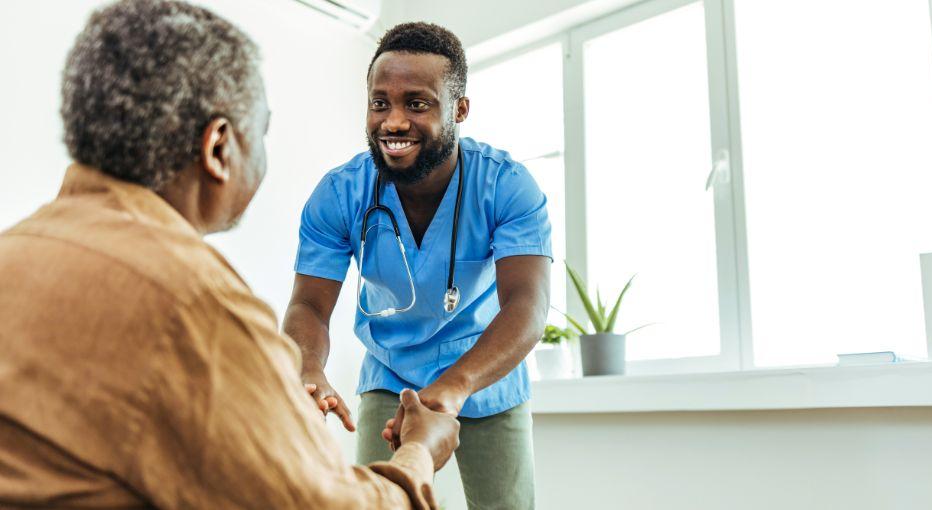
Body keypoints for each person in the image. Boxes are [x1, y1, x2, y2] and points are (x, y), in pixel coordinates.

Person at [0, 1, 458, 508]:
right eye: (260, 131)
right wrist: (418, 453)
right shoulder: (196, 307)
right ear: (219, 147)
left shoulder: (14, 253)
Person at [284, 22, 551, 510]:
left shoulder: (507, 186)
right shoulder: (339, 193)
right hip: (390, 372)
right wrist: (307, 366)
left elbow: (527, 305)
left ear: (460, 109)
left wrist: (455, 386)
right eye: (380, 103)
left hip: (486, 374)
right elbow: (308, 304)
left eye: (417, 103)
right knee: (374, 502)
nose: (394, 121)